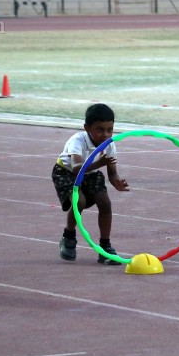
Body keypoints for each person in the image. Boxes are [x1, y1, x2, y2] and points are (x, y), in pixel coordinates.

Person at [52, 103, 129, 263]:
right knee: (79, 201)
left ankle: (105, 247)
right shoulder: (78, 140)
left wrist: (117, 183)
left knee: (105, 203)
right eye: (99, 130)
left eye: (109, 129)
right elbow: (75, 168)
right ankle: (69, 237)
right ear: (87, 128)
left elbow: (112, 172)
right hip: (66, 173)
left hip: (92, 174)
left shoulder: (110, 144)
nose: (105, 134)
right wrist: (99, 163)